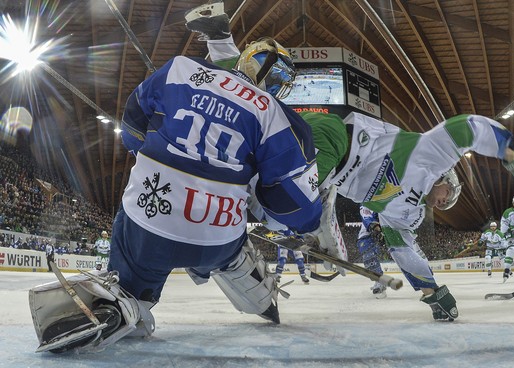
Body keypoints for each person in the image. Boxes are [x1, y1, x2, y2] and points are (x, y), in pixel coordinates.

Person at [192, 6, 514, 321]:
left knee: (251, 117)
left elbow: (404, 250)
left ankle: (220, 40)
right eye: (449, 195)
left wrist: (432, 293)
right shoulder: (431, 157)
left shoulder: (407, 215)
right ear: (448, 180)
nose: (447, 202)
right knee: (285, 197)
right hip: (336, 140)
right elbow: (466, 127)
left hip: (327, 163)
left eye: (448, 204)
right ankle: (317, 218)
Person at [28, 33, 323, 353]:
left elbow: (131, 131)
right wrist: (272, 211)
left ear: (243, 58)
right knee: (234, 248)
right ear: (281, 85)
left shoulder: (181, 69)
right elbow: (299, 209)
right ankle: (262, 298)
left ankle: (125, 305)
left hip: (148, 227)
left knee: (133, 244)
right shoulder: (280, 118)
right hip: (217, 240)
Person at [357, 205, 388, 298]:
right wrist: (374, 227)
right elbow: (366, 215)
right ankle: (379, 280)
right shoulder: (368, 200)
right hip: (369, 233)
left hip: (392, 230)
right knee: (368, 256)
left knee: (406, 256)